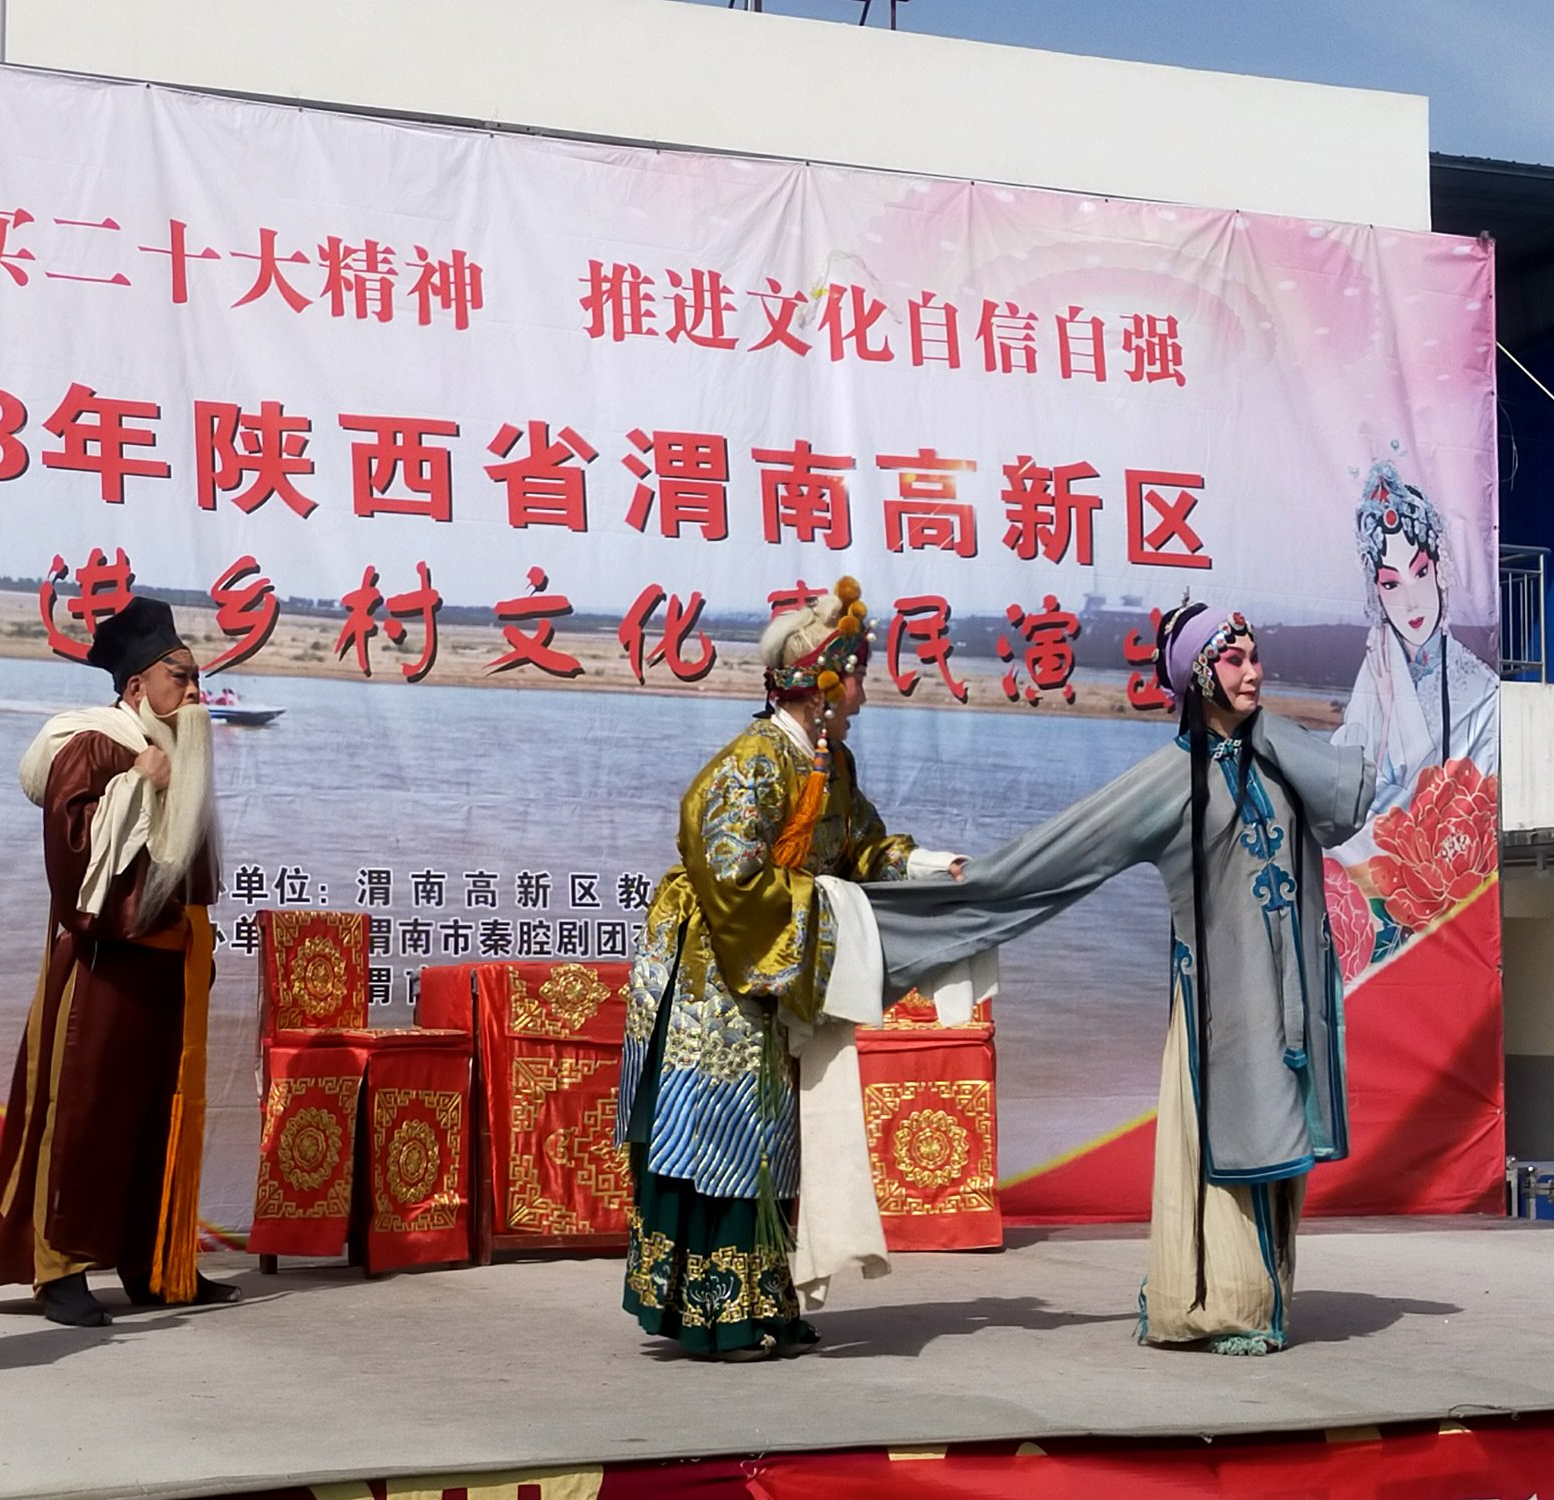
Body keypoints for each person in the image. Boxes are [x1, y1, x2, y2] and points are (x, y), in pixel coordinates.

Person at [868, 602, 1374, 1354]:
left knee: (1279, 1137)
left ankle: (1262, 1298)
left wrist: (1265, 729)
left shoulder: (1279, 755)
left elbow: (1346, 801)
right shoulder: (1169, 780)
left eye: (1254, 656)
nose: (1253, 672)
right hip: (1220, 1004)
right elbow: (1066, 854)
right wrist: (971, 881)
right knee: (1230, 1142)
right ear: (1199, 674)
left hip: (1289, 996)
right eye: (1233, 660)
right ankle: (1218, 1302)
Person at [614, 578, 961, 1362]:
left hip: (771, 964)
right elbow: (731, 877)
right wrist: (827, 910)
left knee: (773, 1137)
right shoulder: (753, 765)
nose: (865, 692)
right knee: (723, 1134)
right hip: (719, 972)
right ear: (820, 687)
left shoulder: (830, 763)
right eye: (858, 676)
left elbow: (860, 848)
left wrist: (928, 866)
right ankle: (718, 1314)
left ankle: (764, 1302)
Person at [0, 597, 236, 1327]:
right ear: (136, 685)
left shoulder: (180, 751)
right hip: (104, 964)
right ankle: (58, 1271)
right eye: (181, 676)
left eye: (198, 678)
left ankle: (156, 1265)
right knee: (85, 1116)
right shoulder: (96, 745)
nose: (195, 691)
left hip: (172, 967)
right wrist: (137, 784)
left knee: (158, 1119)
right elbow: (73, 859)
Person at [1330, 459, 1499, 862]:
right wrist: (1388, 709)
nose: (1411, 602)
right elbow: (1347, 791)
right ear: (1376, 591)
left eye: (1420, 573)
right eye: (1391, 583)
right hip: (1375, 860)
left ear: (1439, 569)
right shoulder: (1377, 669)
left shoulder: (1480, 687)